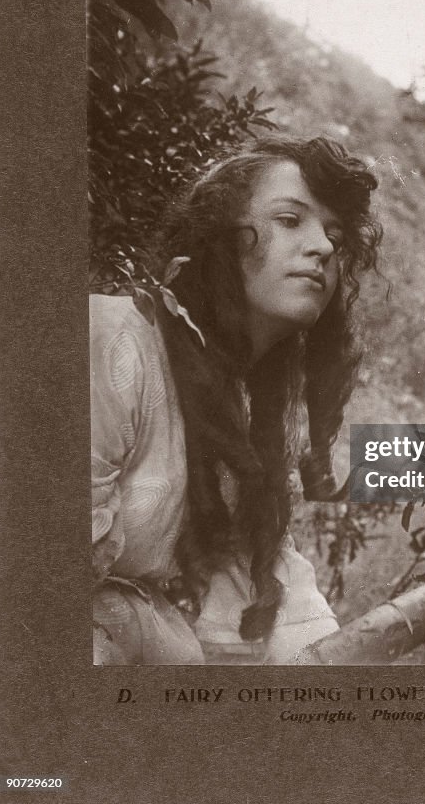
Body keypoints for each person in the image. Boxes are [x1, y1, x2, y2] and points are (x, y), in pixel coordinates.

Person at [91, 133, 381, 664]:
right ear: (221, 238)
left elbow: (269, 591)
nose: (323, 247)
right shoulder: (112, 341)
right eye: (290, 220)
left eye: (335, 235)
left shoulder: (244, 403)